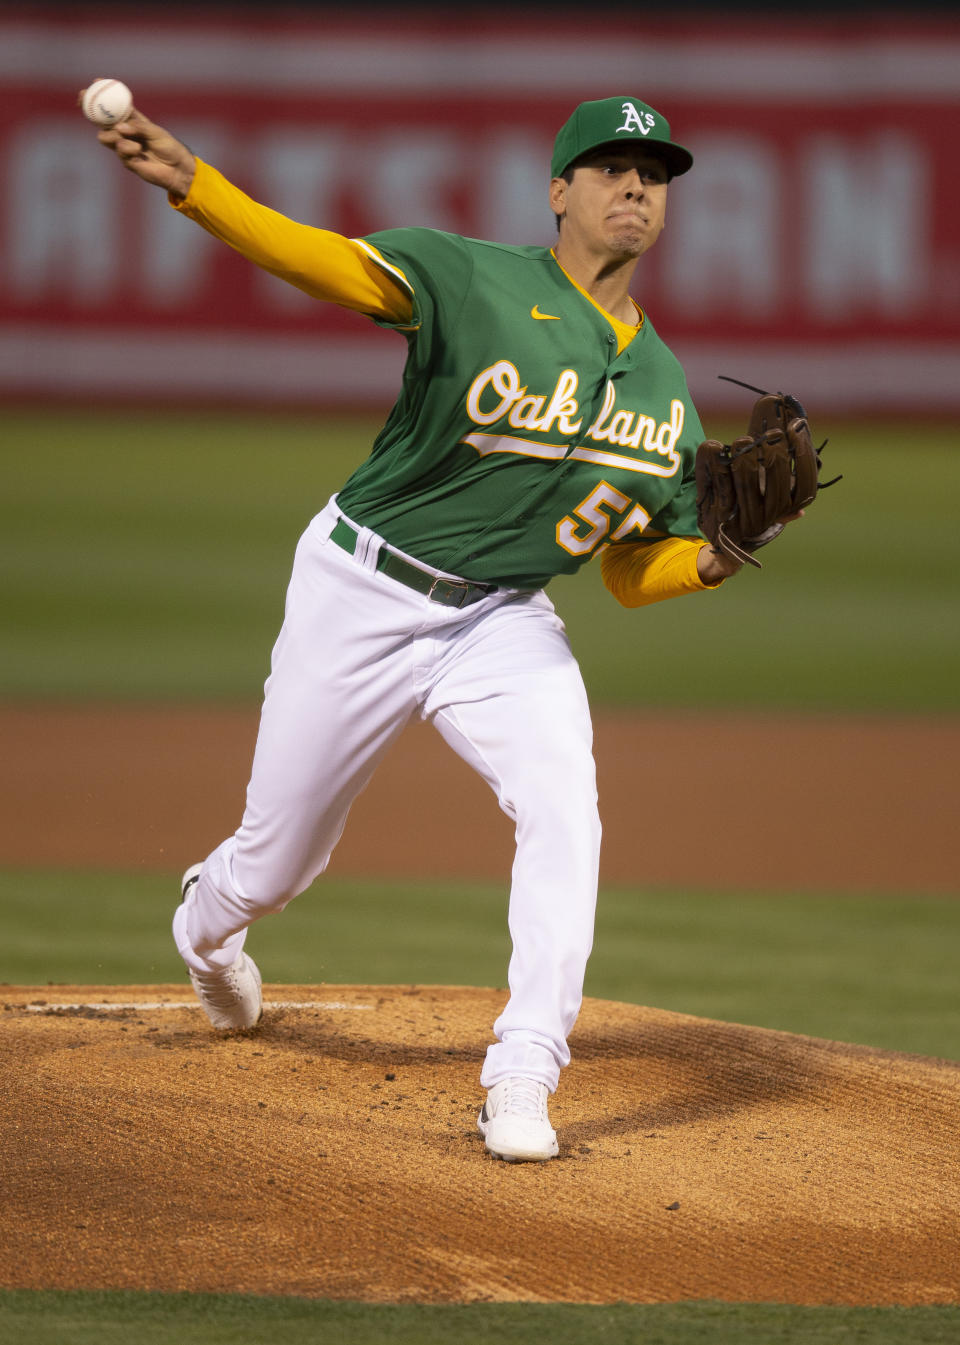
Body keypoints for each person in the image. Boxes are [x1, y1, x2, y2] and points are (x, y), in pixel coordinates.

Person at [85, 91, 764, 1164]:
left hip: (502, 619)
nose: (637, 186)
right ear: (559, 191)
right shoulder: (470, 278)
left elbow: (632, 571)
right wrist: (194, 184)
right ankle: (203, 927)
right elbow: (325, 263)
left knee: (565, 811)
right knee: (274, 865)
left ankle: (525, 1069)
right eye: (610, 167)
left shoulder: (669, 392)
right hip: (359, 591)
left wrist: (712, 559)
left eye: (656, 172)